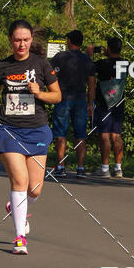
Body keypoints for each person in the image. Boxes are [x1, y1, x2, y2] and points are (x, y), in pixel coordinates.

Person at [0, 20, 61, 255]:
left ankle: (17, 206)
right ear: (11, 40)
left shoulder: (41, 64)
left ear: (31, 40)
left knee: (34, 189)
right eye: (17, 40)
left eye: (26, 40)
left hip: (36, 129)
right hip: (8, 129)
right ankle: (20, 238)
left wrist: (40, 93)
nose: (22, 44)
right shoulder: (2, 66)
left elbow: (57, 96)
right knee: (19, 181)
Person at [50, 29, 95, 178]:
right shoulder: (87, 60)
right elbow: (92, 84)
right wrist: (90, 103)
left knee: (60, 133)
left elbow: (51, 77)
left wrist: (52, 95)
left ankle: (61, 166)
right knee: (80, 134)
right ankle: (80, 168)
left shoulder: (60, 57)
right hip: (81, 100)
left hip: (62, 98)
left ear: (69, 41)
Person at [91, 37, 128, 179]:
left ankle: (105, 168)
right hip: (119, 101)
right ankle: (118, 168)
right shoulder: (126, 64)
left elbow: (90, 70)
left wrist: (91, 54)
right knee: (116, 135)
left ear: (109, 48)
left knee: (104, 134)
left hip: (103, 102)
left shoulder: (101, 64)